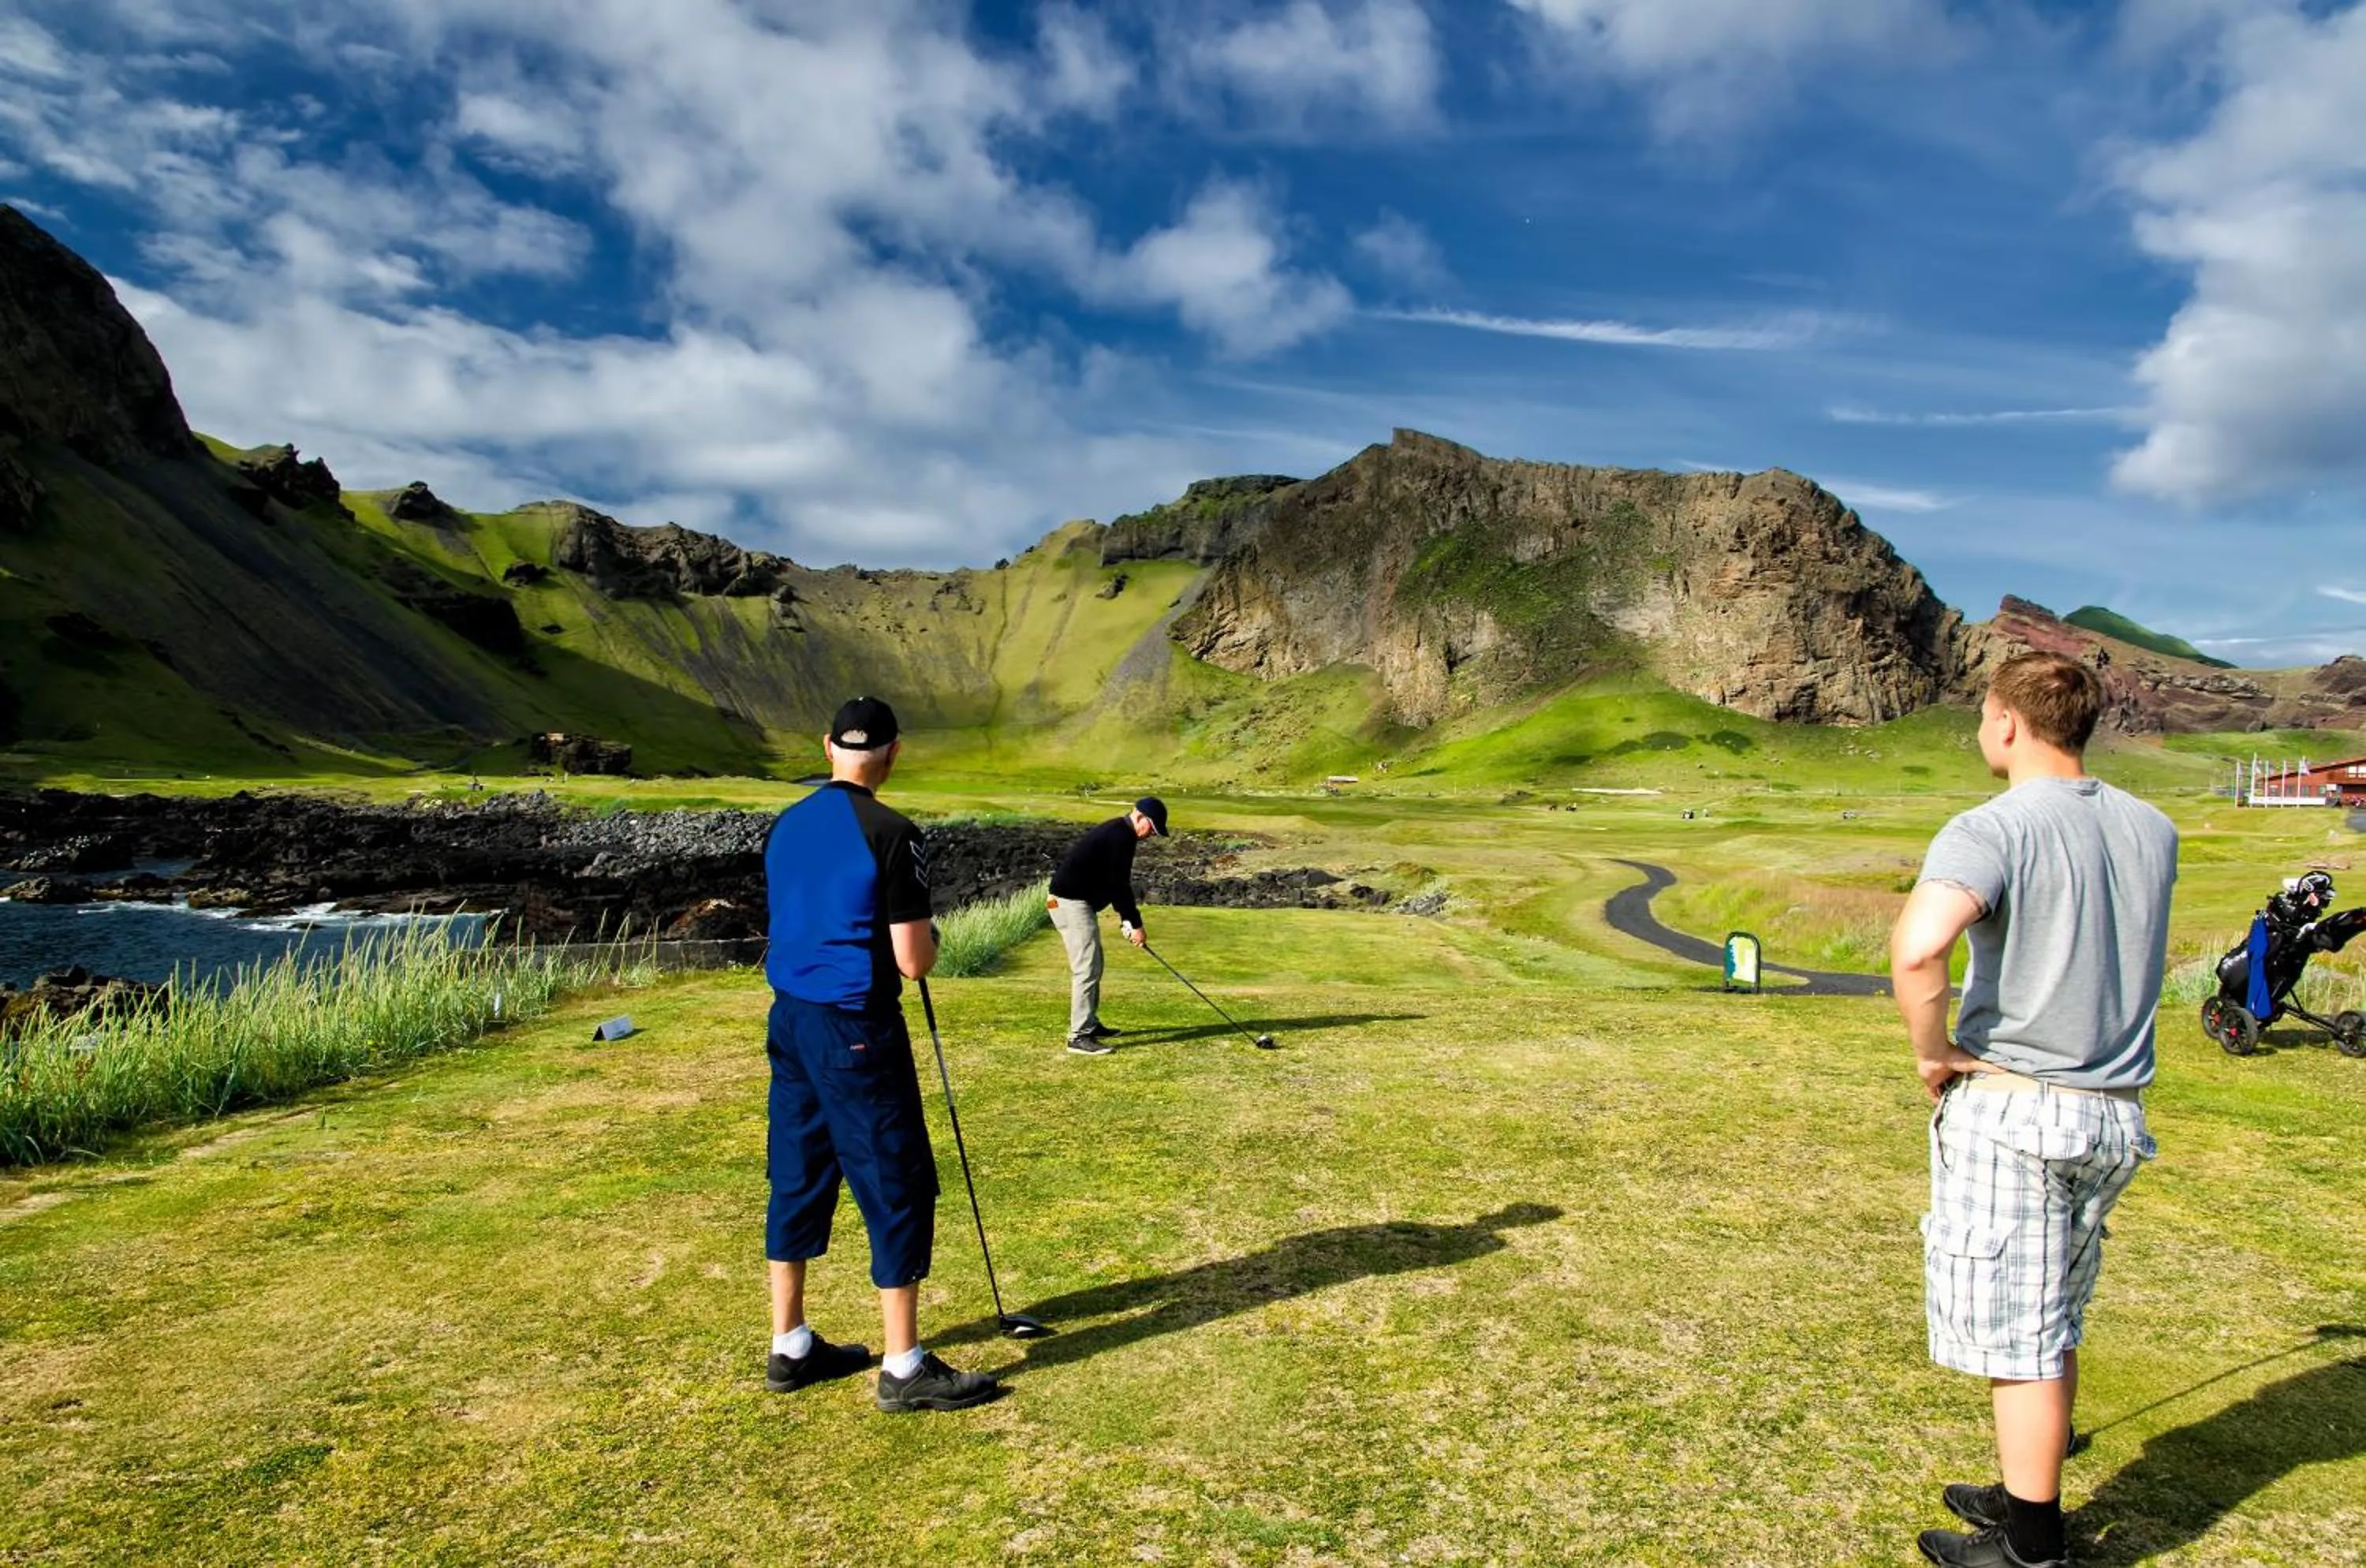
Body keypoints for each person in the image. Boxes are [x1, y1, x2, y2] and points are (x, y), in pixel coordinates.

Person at [1889, 651, 2178, 1568]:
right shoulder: (2154, 828)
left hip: (2020, 1112)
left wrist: (1933, 1051)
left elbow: (1919, 947)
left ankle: (2030, 1547)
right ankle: (2025, 1490)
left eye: (1983, 715)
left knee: (2020, 1339)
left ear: (2007, 721)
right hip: (2115, 1113)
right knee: (2052, 1313)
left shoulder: (1992, 826)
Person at [760, 696, 998, 1413]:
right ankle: (903, 1365)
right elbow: (914, 960)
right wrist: (934, 940)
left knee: (797, 1169)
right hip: (856, 1028)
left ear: (827, 746)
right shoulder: (893, 833)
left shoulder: (786, 824)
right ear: (894, 754)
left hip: (791, 1020)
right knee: (893, 1177)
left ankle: (790, 1344)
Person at [1046, 796, 1170, 1055]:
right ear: (1140, 816)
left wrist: (1126, 919)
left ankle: (1089, 1024)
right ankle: (1079, 1036)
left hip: (1077, 902)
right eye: (1152, 828)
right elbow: (1119, 885)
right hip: (1069, 903)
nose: (1152, 835)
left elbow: (1112, 882)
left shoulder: (1122, 833)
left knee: (1095, 964)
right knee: (1087, 968)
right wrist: (1135, 924)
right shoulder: (1120, 836)